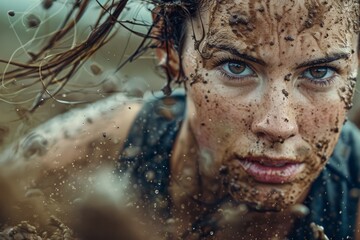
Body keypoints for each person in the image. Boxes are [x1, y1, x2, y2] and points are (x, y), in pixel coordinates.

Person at [0, 0, 359, 239]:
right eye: (236, 67)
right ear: (170, 50)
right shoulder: (91, 150)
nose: (279, 125)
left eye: (320, 72)